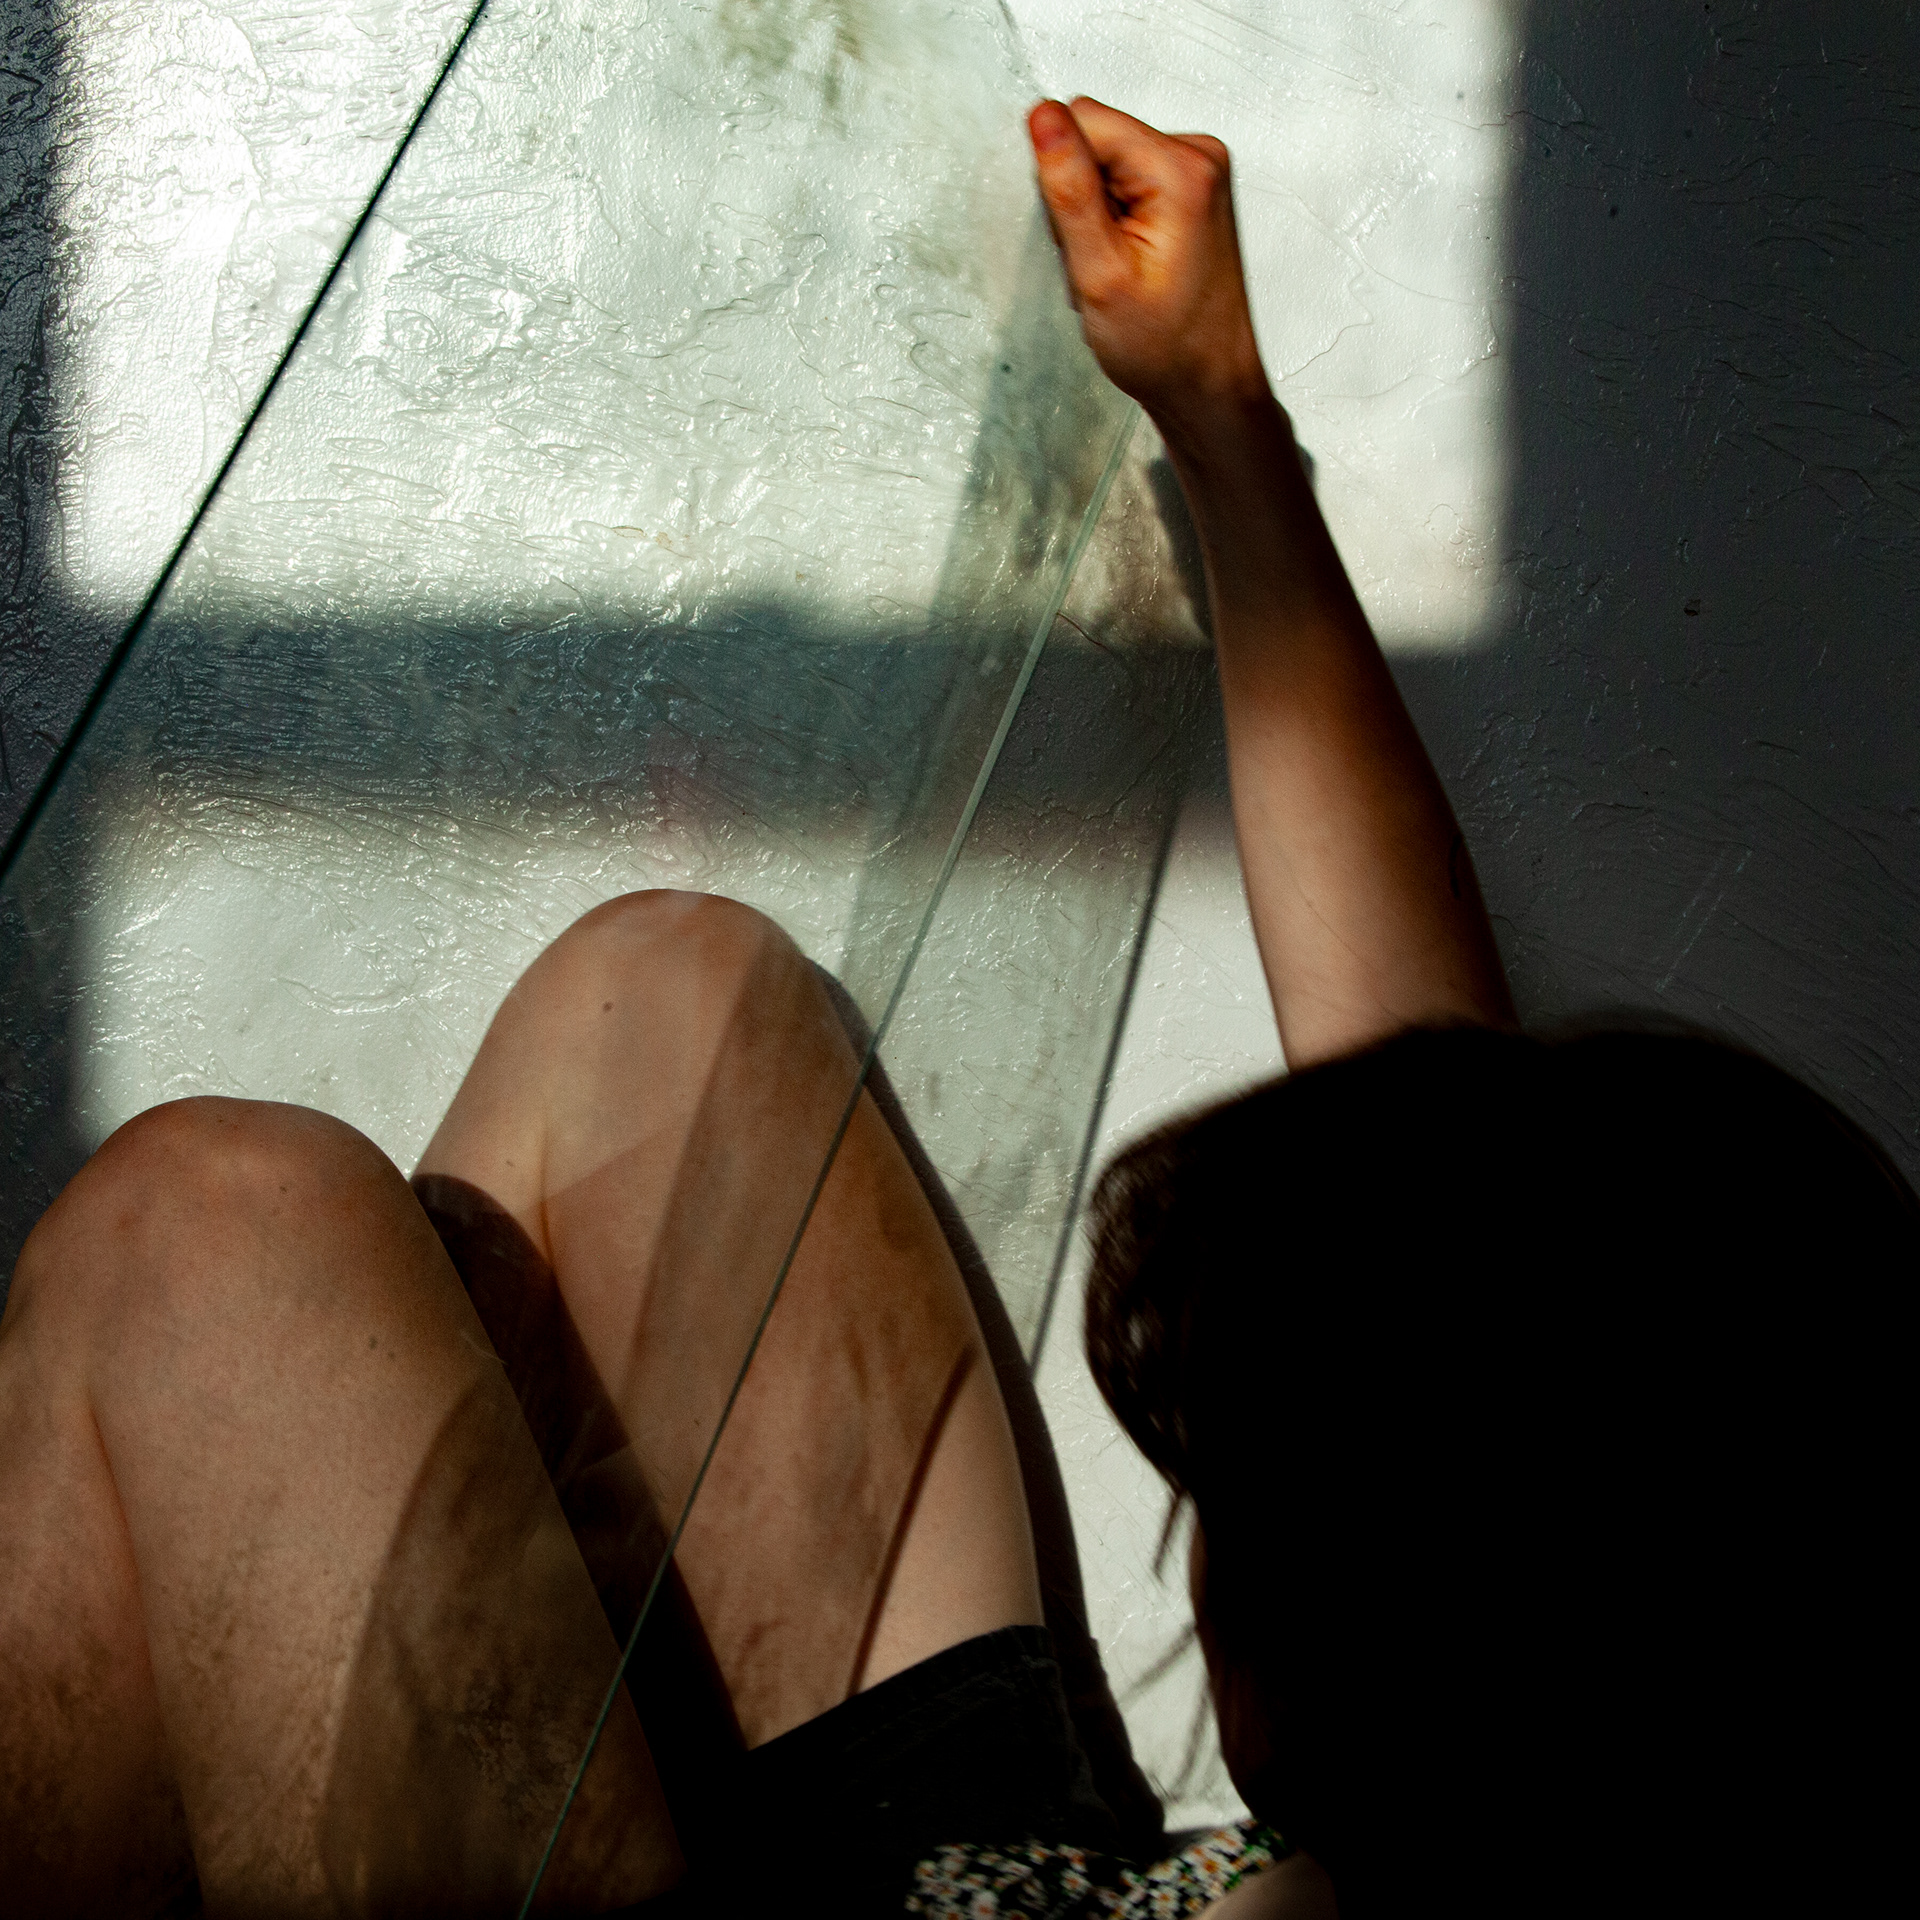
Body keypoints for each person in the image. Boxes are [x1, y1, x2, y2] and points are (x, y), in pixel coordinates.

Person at [1, 93, 1911, 1920]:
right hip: (1009, 1864)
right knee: (660, 999)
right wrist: (1222, 419)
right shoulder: (1549, 1761)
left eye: (1226, 1509)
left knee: (209, 1228)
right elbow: (1432, 1174)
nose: (1195, 1547)